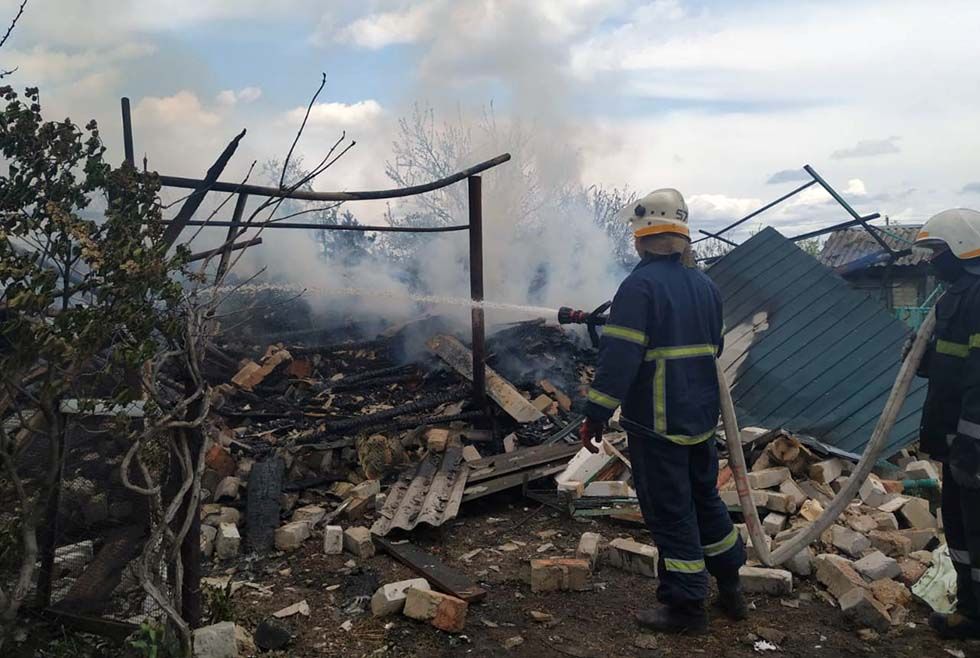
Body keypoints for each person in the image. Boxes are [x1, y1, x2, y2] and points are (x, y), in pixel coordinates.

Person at [579, 188, 746, 634]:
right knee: (705, 500)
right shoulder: (706, 287)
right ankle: (731, 586)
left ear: (642, 237)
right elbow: (715, 347)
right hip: (698, 417)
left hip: (657, 423)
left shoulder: (639, 286)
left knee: (671, 513)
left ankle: (686, 607)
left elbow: (619, 359)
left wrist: (595, 412)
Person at [911, 208, 980, 640]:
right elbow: (953, 366)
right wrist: (923, 358)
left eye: (935, 252)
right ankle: (972, 611)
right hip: (958, 440)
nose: (929, 262)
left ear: (958, 247)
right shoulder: (956, 296)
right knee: (960, 528)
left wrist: (972, 445)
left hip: (974, 442)